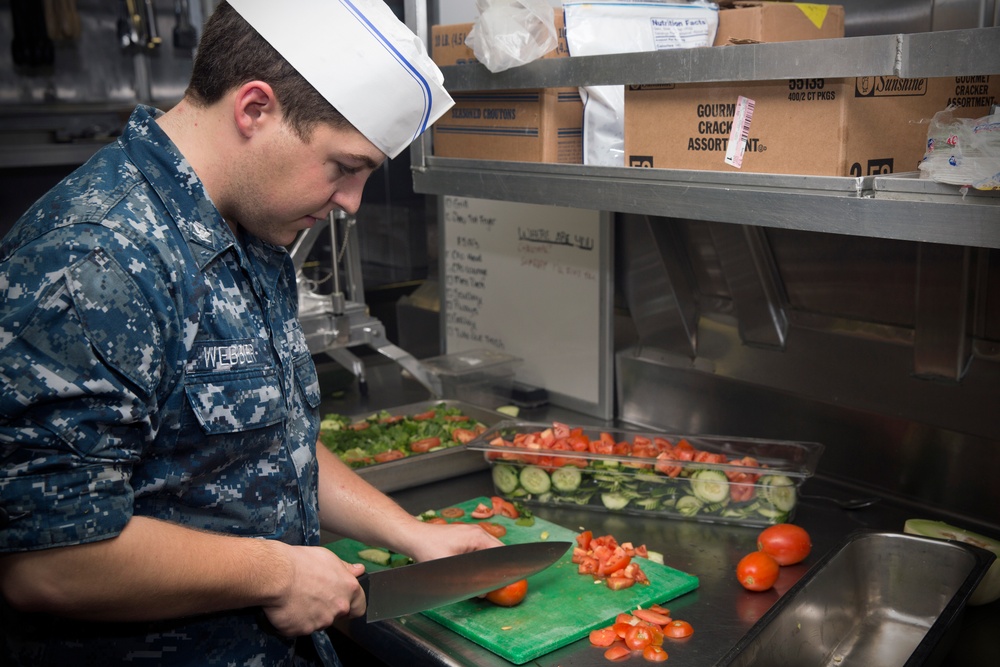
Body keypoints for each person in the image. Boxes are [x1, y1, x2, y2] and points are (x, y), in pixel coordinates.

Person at [0, 1, 499, 665]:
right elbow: (50, 563)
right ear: (255, 109)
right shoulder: (95, 257)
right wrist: (279, 571)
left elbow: (270, 439)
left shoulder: (252, 225)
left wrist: (411, 534)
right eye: (344, 167)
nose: (351, 201)